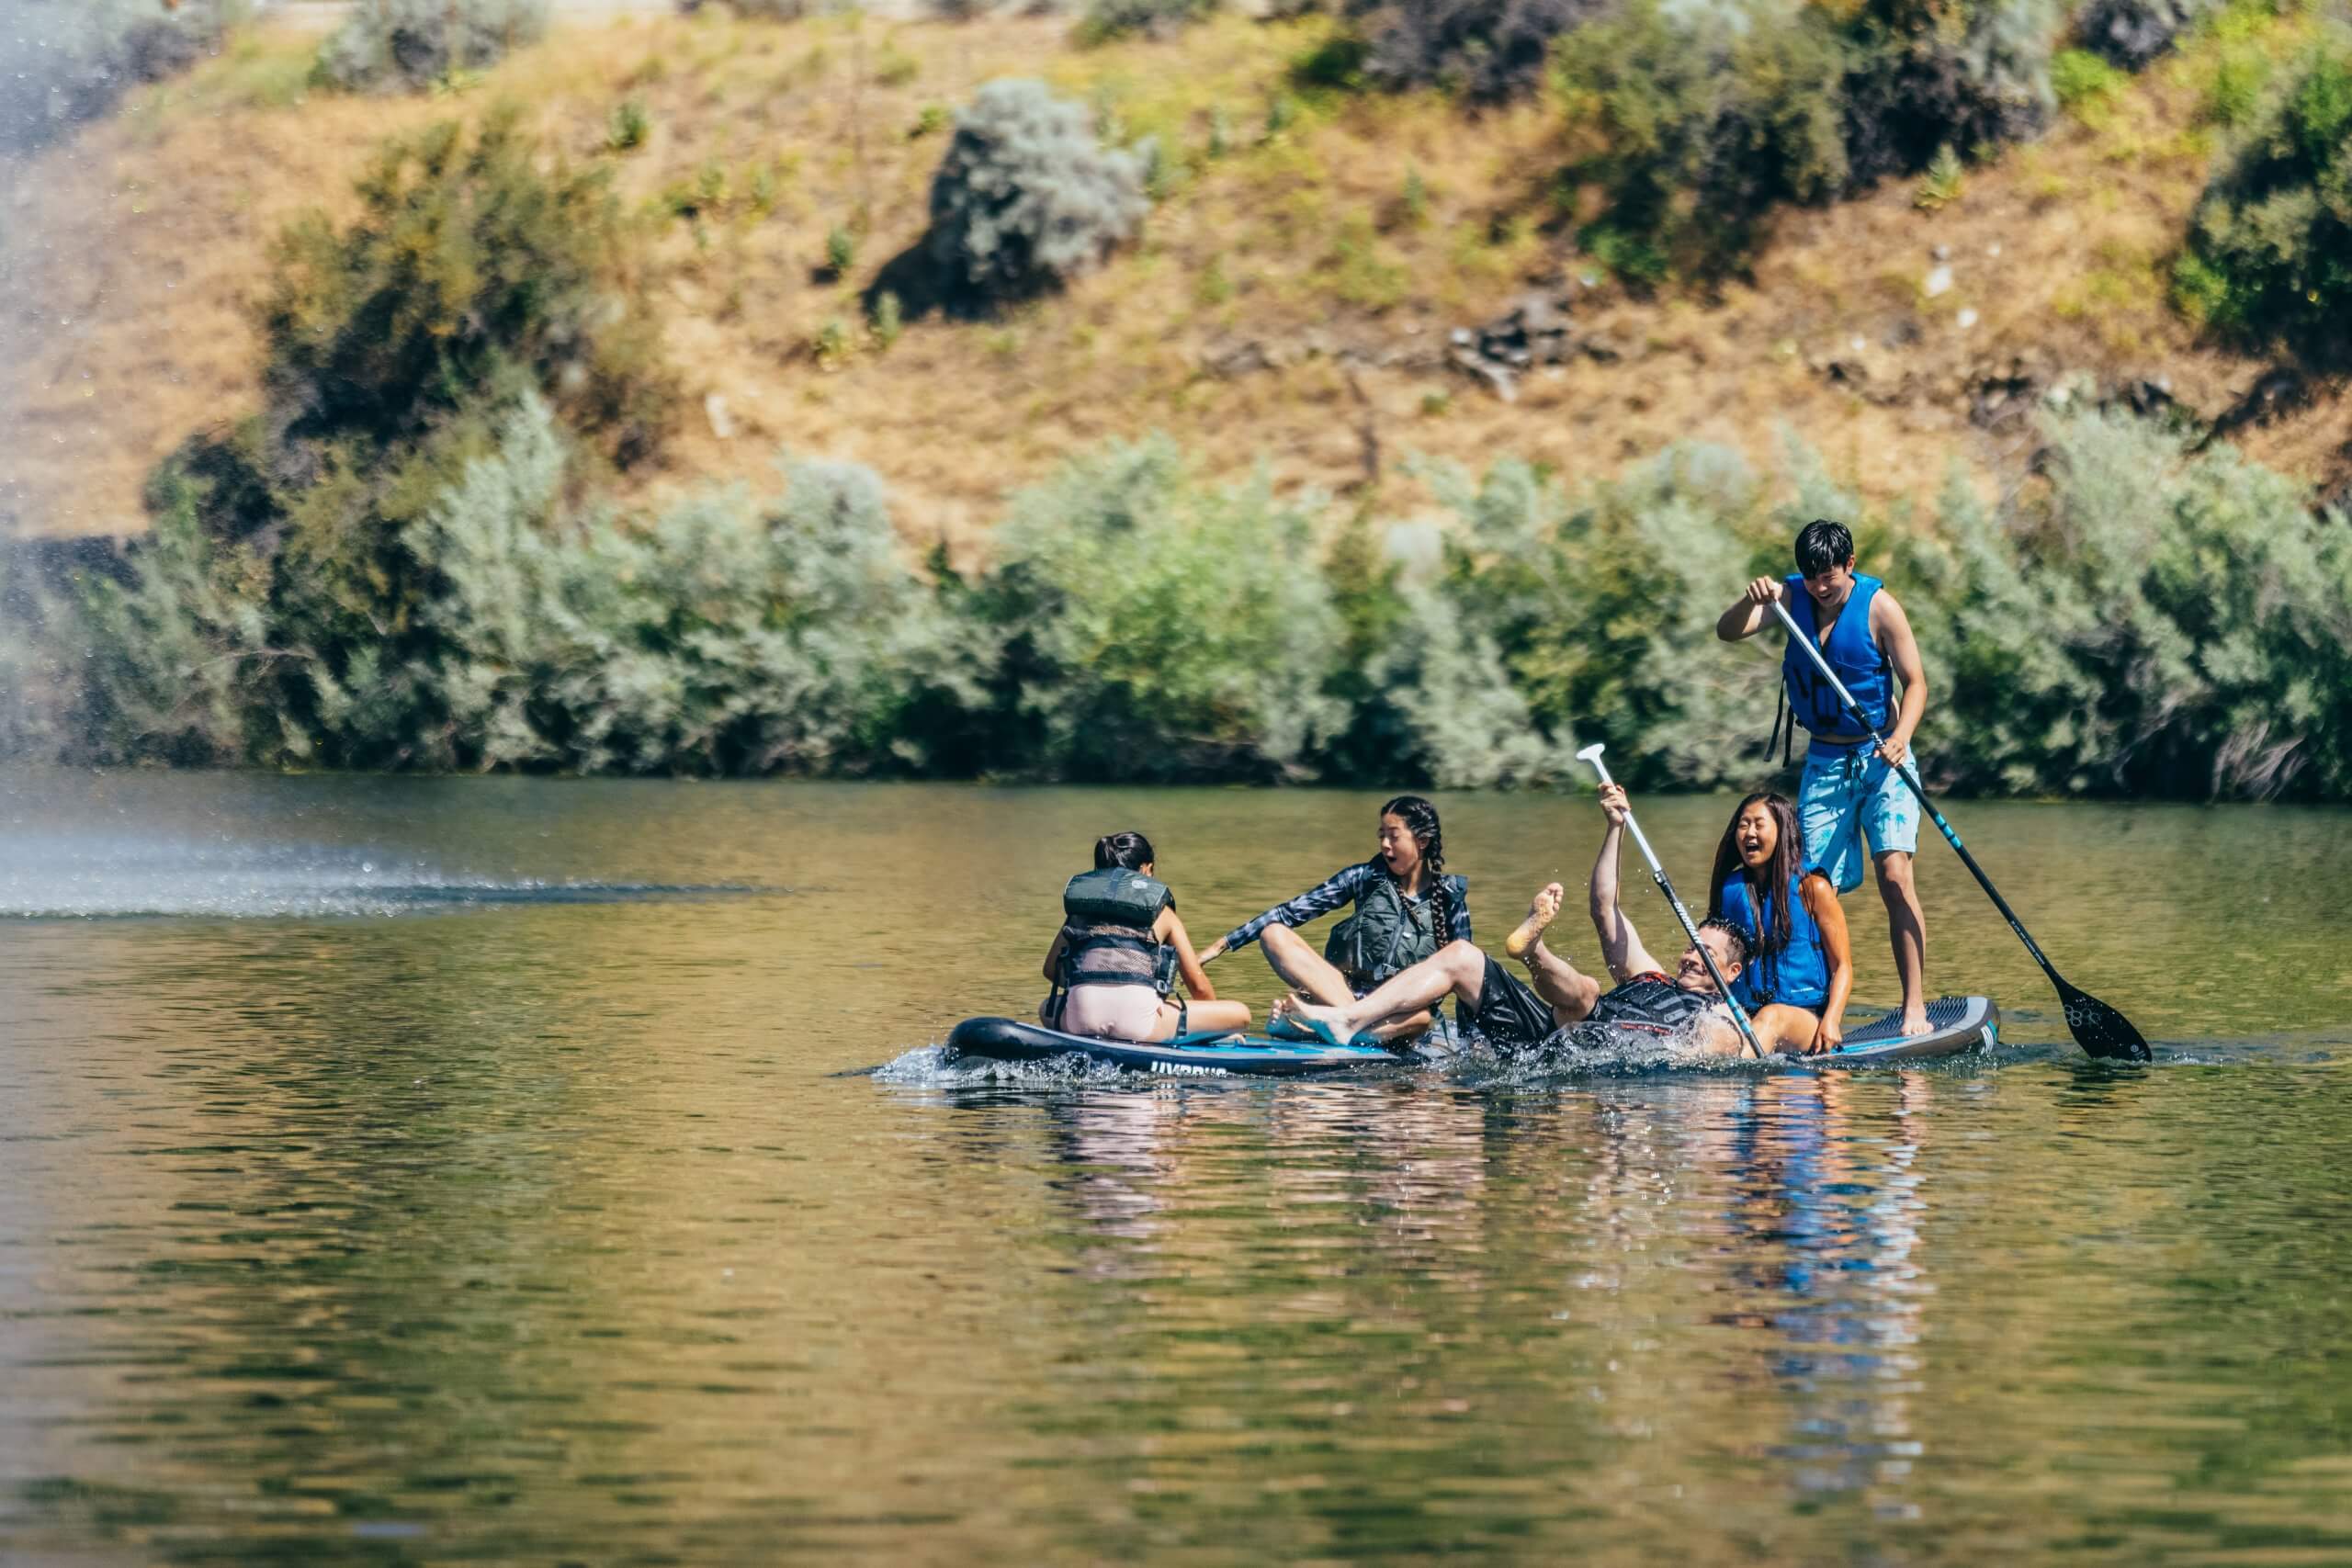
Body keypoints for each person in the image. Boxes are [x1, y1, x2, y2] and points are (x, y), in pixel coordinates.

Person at [1273, 784, 1826, 1057]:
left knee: (1584, 995)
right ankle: (1350, 1018)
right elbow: (1604, 907)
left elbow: (1760, 1038)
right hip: (1552, 1035)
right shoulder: (1652, 975)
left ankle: (1535, 954)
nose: (1687, 956)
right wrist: (1614, 828)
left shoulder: (1724, 1019)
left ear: (1730, 974)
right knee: (1464, 958)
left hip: (1595, 1052)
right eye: (1689, 947)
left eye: (1701, 955)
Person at [1716, 518, 1933, 1036]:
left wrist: (1902, 736)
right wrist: (1752, 600)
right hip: (1827, 763)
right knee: (1810, 884)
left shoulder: (1881, 608)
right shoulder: (1789, 599)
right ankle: (1809, 1009)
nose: (1820, 588)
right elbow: (1727, 631)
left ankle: (1915, 1006)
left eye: (1829, 578)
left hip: (1884, 757)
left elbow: (1917, 683)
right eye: (1811, 578)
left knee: (1895, 875)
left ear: (1850, 566)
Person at [1199, 795, 1469, 1044]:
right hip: (1345, 997)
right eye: (1381, 836)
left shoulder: (1449, 898)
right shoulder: (1363, 878)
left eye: (1394, 836)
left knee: (1421, 1019)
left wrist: (1473, 1040)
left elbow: (1466, 977)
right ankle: (1345, 1027)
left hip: (1400, 1015)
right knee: (1274, 934)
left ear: (1421, 841)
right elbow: (1290, 912)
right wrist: (1223, 944)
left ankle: (1310, 1032)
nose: (1385, 844)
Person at [1040, 831, 1250, 1043]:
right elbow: (1200, 989)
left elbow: (1050, 970)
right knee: (1241, 1013)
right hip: (1140, 1027)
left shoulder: (1080, 912)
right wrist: (1212, 1024)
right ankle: (1209, 1036)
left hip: (1081, 1022)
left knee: (1045, 1007)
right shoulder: (1163, 914)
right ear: (1146, 870)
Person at [1707, 790, 1853, 1054]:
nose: (1749, 833)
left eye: (1759, 825)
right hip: (1747, 1014)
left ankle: (1738, 1080)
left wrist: (1832, 1020)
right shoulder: (1730, 891)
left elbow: (1842, 966)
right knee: (1711, 1022)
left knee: (1772, 1015)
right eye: (1743, 825)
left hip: (1806, 1018)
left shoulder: (1813, 888)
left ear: (1782, 830)